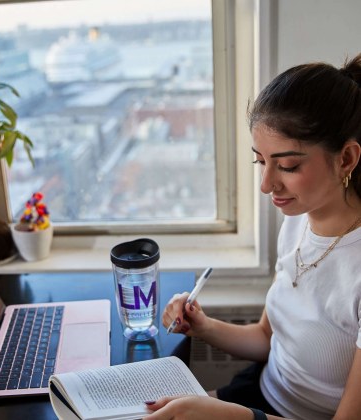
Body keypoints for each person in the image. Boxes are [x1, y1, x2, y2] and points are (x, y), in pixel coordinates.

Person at [145, 53, 361, 420]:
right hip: (259, 391)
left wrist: (231, 415)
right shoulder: (297, 220)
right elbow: (267, 338)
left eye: (288, 166)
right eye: (260, 160)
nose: (266, 185)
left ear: (345, 159)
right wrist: (204, 326)